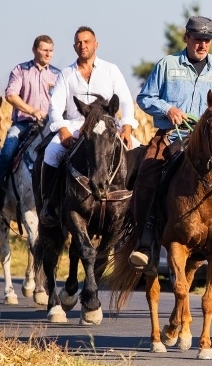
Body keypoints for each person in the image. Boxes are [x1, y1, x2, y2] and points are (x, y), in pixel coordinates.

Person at [128, 16, 212, 272]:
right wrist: (168, 108)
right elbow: (144, 97)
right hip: (173, 136)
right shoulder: (167, 65)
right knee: (146, 175)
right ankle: (144, 243)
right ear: (186, 37)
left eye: (207, 40)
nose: (202, 45)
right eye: (197, 39)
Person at [38, 26, 138, 222]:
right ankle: (49, 204)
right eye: (78, 42)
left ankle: (136, 208)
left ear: (96, 45)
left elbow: (126, 101)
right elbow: (55, 107)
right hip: (76, 126)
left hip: (107, 126)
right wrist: (63, 131)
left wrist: (126, 127)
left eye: (86, 42)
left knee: (138, 149)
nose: (82, 45)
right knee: (51, 153)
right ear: (74, 46)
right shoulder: (66, 74)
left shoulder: (111, 70)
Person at [0, 35, 61, 212]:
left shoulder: (58, 74)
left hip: (51, 126)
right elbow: (11, 95)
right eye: (44, 50)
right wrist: (33, 111)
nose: (48, 54)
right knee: (7, 150)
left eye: (51, 51)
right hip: (24, 124)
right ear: (34, 50)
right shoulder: (21, 70)